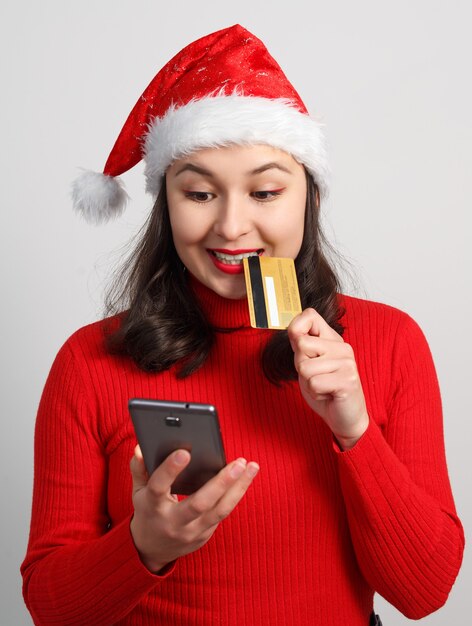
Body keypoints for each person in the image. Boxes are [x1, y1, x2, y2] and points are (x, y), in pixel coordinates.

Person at [21, 24, 464, 626]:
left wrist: (356, 432)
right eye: (200, 194)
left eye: (264, 192)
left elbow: (425, 592)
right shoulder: (91, 360)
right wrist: (144, 549)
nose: (231, 227)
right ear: (165, 203)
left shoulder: (389, 343)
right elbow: (50, 606)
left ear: (307, 196)